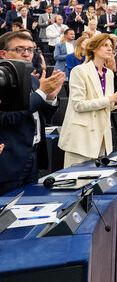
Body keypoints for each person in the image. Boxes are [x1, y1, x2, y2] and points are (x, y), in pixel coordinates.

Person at [0, 31, 65, 195]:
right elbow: (8, 118)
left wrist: (50, 97)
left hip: (33, 156)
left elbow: (43, 118)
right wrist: (42, 93)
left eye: (30, 49)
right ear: (3, 53)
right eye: (20, 49)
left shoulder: (34, 80)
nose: (27, 54)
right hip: (8, 161)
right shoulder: (2, 81)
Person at [59, 34, 117, 167]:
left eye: (111, 46)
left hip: (101, 136)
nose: (109, 49)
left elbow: (108, 106)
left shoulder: (109, 73)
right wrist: (112, 98)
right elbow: (78, 105)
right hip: (81, 137)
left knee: (95, 181)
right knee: (77, 180)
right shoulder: (79, 71)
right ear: (94, 48)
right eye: (105, 45)